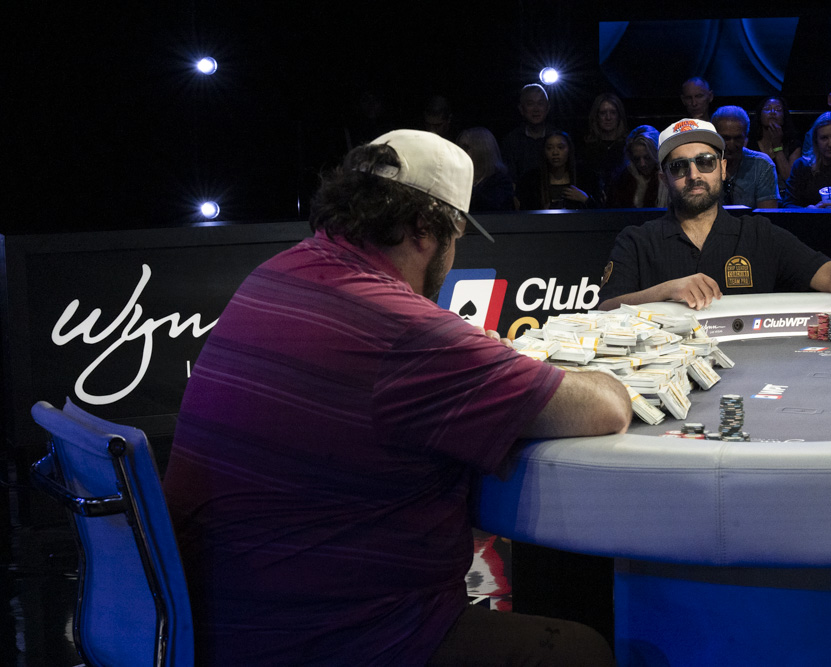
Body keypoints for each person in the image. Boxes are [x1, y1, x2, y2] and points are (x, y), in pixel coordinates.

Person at [163, 129, 630, 666]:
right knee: (582, 651)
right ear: (427, 228)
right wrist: (506, 366)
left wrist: (477, 366)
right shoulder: (406, 332)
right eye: (457, 234)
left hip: (207, 619)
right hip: (317, 638)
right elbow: (607, 407)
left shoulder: (277, 271)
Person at [597, 118, 831, 341]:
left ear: (722, 169)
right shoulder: (637, 240)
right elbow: (606, 311)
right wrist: (666, 291)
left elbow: (830, 272)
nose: (694, 174)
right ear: (664, 178)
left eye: (705, 162)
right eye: (679, 167)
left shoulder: (759, 234)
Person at [710, 106, 780, 209]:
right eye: (726, 138)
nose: (731, 145)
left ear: (746, 138)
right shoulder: (701, 164)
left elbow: (768, 215)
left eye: (738, 138)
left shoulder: (762, 165)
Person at [516, 131, 597, 210]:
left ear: (569, 149)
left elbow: (599, 212)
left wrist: (585, 199)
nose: (555, 152)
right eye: (549, 148)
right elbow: (525, 212)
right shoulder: (532, 180)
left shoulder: (586, 177)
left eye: (560, 147)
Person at [500, 83, 557, 182]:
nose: (536, 109)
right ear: (521, 109)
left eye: (540, 103)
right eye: (530, 104)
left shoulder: (557, 138)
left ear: (547, 108)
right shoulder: (512, 140)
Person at [605, 125, 668, 209]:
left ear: (657, 154)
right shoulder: (622, 180)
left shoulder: (669, 178)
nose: (642, 164)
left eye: (647, 157)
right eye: (637, 159)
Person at [581, 93, 629, 200]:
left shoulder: (628, 146)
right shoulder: (587, 148)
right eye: (603, 113)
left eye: (613, 112)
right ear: (596, 116)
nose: (608, 117)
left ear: (619, 116)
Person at [456, 126, 515, 212]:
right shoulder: (458, 178)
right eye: (460, 147)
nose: (461, 152)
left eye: (466, 148)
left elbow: (492, 207)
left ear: (482, 150)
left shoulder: (501, 182)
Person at [748, 96, 802, 189]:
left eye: (778, 109)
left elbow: (789, 179)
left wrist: (777, 147)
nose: (772, 112)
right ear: (760, 115)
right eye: (767, 109)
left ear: (784, 116)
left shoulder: (793, 145)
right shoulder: (748, 142)